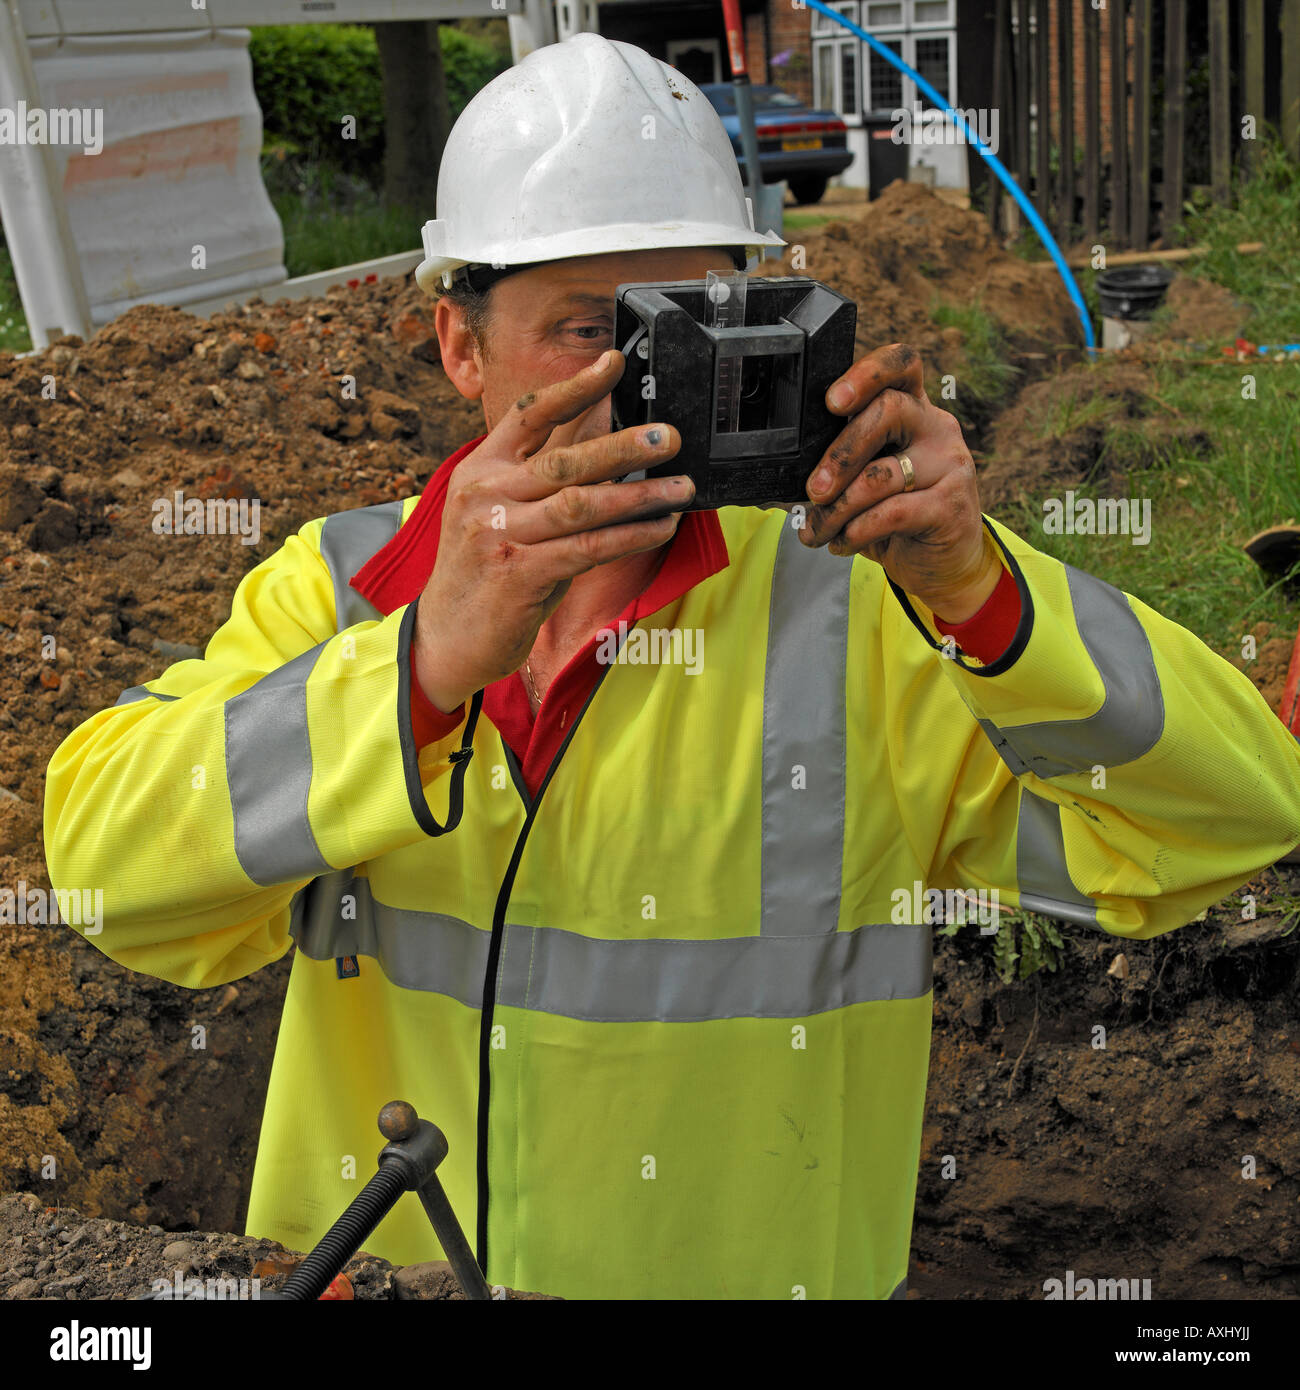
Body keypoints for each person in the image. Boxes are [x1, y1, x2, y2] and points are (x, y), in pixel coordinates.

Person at [44, 34, 1300, 1300]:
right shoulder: (342, 587)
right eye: (587, 328)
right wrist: (416, 671)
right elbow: (107, 880)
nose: (638, 385)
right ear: (458, 344)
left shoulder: (863, 609)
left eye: (684, 321)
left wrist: (980, 593)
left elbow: (1230, 819)